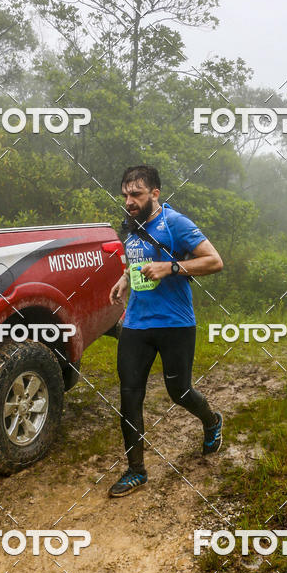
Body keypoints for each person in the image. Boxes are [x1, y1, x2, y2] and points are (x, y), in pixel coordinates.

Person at [108, 165, 224, 498]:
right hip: (136, 324)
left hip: (176, 323)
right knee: (130, 396)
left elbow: (214, 261)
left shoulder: (176, 223)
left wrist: (170, 267)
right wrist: (124, 279)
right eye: (125, 195)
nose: (129, 201)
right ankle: (136, 470)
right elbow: (136, 262)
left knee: (179, 392)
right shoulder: (132, 226)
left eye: (136, 194)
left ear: (155, 193)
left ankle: (212, 420)